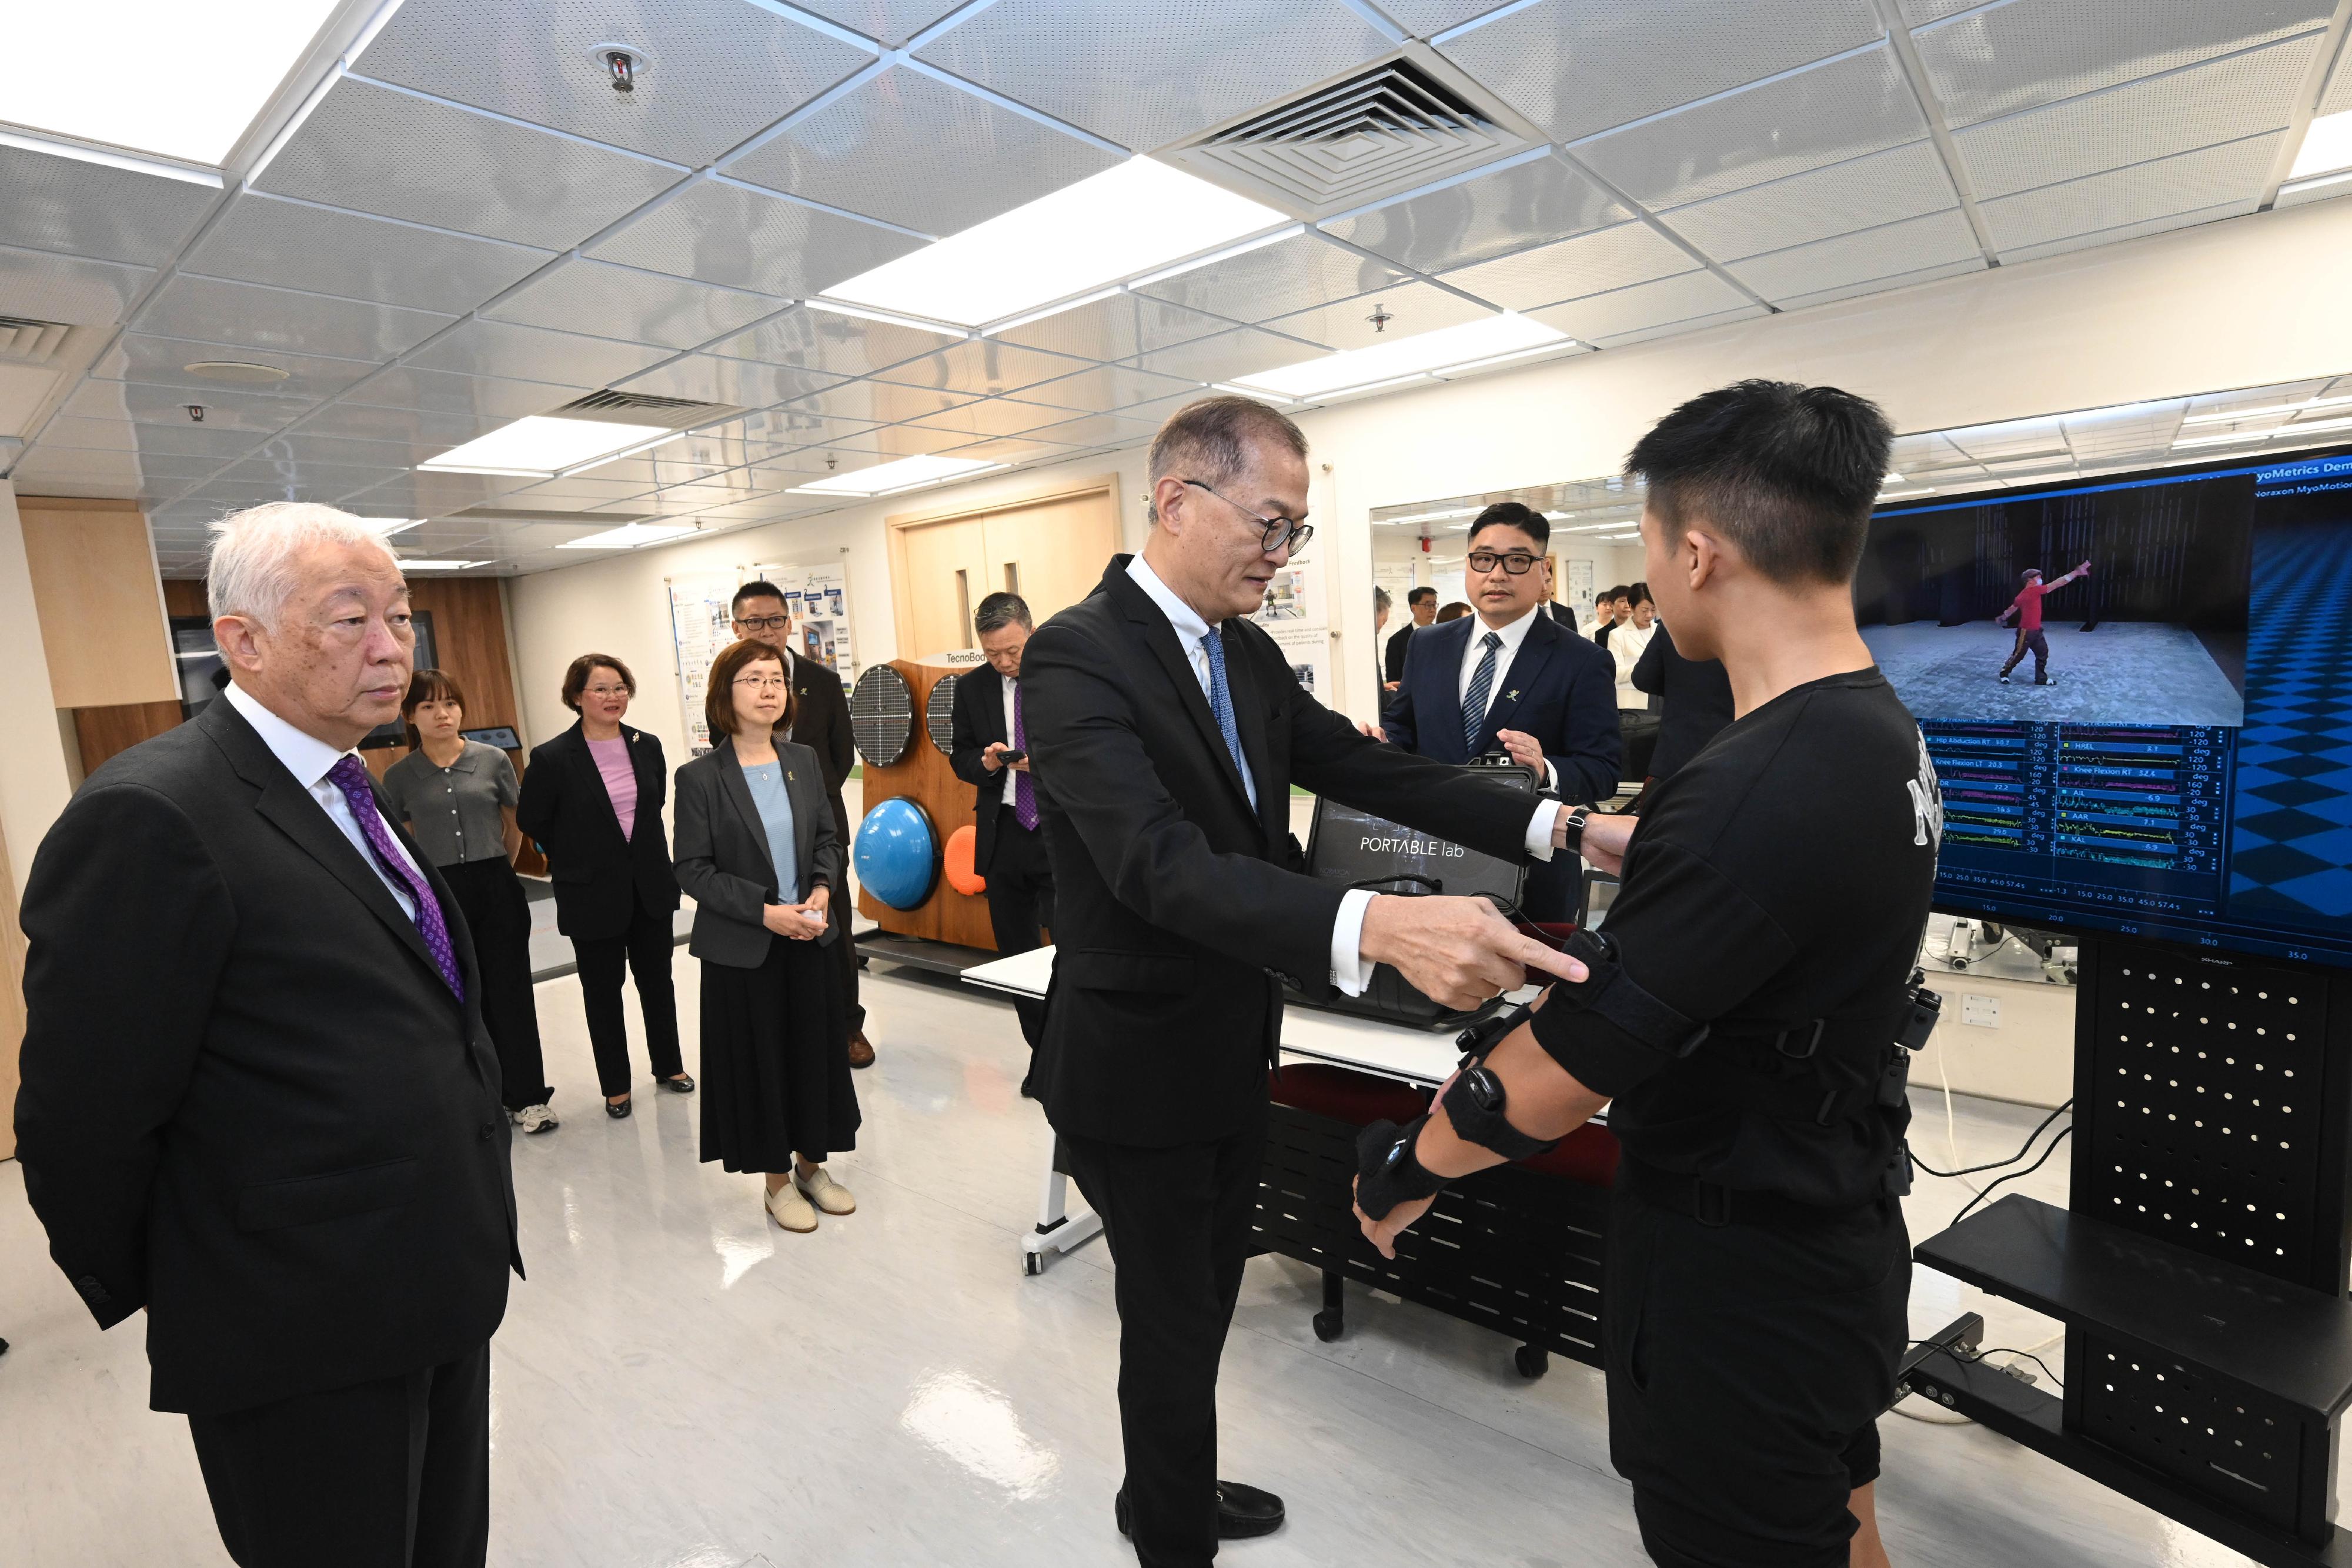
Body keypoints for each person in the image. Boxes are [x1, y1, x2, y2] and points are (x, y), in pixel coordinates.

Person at [1352, 379, 1940, 1568]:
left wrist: (1400, 1169)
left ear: (1696, 549)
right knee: (1840, 1523)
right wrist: (1615, 838)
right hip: (1835, 1223)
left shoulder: (1758, 783)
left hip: (1740, 1282)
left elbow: (1558, 1071)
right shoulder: (1875, 729)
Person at [1022, 395, 1588, 1568]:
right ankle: (1170, 1534)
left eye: (1295, 533)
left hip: (1229, 1046)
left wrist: (1559, 824)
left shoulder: (1241, 651)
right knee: (1171, 1318)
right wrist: (1376, 922)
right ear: (1179, 500)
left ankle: (1166, 1482)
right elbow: (1156, 865)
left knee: (1199, 1307)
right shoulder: (1079, 654)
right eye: (1269, 525)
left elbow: (1370, 770)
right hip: (1134, 1069)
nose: (1280, 556)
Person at [14, 502, 519, 1568]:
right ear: (241, 641)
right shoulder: (155, 815)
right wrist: (213, 1284)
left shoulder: (351, 781)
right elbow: (80, 1119)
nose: (392, 648)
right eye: (349, 620)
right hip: (299, 1330)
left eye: (400, 614)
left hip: (434, 1277)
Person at [673, 638, 859, 1234]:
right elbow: (692, 870)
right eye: (753, 680)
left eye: (775, 679)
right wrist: (765, 912)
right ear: (725, 695)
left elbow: (829, 841)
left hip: (809, 937)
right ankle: (776, 1183)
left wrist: (823, 890)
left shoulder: (802, 761)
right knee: (763, 1064)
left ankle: (812, 1167)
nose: (768, 689)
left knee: (814, 1056)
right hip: (745, 949)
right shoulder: (700, 777)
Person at [1377, 500, 1621, 922]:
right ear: (1469, 564)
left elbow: (1603, 769)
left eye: (1517, 561)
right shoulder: (1428, 644)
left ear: (1543, 570)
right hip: (1431, 865)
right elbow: (1403, 729)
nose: (1497, 573)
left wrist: (1546, 769)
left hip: (1532, 874)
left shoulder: (1580, 659)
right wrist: (1381, 748)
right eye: (1484, 559)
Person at [515, 654, 687, 1118]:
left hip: (649, 886)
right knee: (603, 992)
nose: (613, 697)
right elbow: (532, 818)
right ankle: (616, 1085)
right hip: (591, 893)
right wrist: (576, 850)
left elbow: (654, 806)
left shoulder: (646, 745)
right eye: (601, 689)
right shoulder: (553, 757)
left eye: (620, 688)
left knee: (658, 982)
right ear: (577, 697)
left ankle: (669, 1065)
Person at [383, 670, 554, 1134]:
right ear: (410, 716)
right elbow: (397, 838)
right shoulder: (399, 776)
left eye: (451, 704)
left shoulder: (493, 759)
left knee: (512, 991)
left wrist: (503, 860)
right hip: (440, 893)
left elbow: (515, 820)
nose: (443, 714)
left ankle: (529, 1098)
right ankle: (484, 1096)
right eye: (429, 706)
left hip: (497, 883)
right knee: (460, 998)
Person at [730, 581, 872, 1069]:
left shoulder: (822, 681)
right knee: (773, 933)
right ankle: (795, 1028)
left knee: (835, 932)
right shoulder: (730, 685)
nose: (766, 631)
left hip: (822, 831)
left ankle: (850, 1027)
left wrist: (803, 798)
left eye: (774, 620)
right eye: (754, 622)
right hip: (760, 835)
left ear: (790, 623)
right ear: (736, 626)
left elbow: (840, 754)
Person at [947, 592, 1054, 1088]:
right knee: (1018, 955)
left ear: (1031, 630)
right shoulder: (972, 689)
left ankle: (1075, 1053)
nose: (1006, 662)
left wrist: (1047, 764)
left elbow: (1094, 746)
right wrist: (988, 763)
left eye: (1013, 650)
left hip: (1058, 831)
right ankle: (1044, 1056)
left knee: (1073, 950)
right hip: (1005, 830)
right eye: (993, 654)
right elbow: (960, 755)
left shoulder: (1064, 673)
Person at [1628, 620, 1735, 783]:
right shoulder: (1756, 620)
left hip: (1676, 756)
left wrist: (1680, 690)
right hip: (1736, 753)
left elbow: (1643, 677)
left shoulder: (1678, 619)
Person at [1995, 560, 2092, 685]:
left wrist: (2002, 617)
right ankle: (2004, 672)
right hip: (2026, 632)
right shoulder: (2031, 592)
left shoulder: (2025, 595)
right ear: (2030, 580)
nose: (2041, 580)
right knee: (2018, 655)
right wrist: (2076, 572)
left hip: (2037, 631)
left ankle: (2041, 678)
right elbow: (2057, 584)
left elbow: (2012, 608)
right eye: (2038, 578)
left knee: (2043, 653)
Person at [1610, 587, 1659, 708]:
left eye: (1653, 610)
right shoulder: (1617, 635)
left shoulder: (1661, 631)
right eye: (1644, 610)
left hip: (1660, 699)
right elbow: (1615, 673)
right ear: (1632, 607)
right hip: (1632, 704)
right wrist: (1643, 666)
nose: (1650, 615)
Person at [1384, 584, 1436, 685]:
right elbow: (1393, 681)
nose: (1433, 609)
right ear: (1414, 608)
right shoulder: (1397, 641)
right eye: (1428, 605)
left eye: (1434, 605)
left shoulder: (1442, 635)